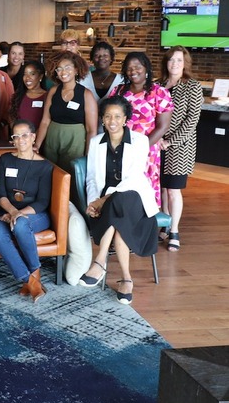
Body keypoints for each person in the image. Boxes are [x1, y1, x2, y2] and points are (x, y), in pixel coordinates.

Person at [78, 96, 159, 306]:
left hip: (135, 197)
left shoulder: (140, 141)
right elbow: (91, 178)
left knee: (120, 201)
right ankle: (126, 279)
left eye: (117, 116)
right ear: (102, 119)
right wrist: (93, 201)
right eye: (107, 116)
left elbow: (133, 178)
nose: (112, 120)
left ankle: (100, 261)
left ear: (125, 119)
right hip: (109, 203)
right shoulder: (96, 142)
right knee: (118, 211)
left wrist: (103, 200)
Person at [0, 119, 53, 303]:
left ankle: (34, 272)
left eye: (24, 135)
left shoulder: (45, 166)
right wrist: (11, 211)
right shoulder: (6, 159)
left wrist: (18, 214)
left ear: (33, 137)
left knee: (20, 224)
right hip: (6, 211)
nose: (20, 140)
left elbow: (42, 202)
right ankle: (30, 281)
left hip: (35, 214)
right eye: (16, 136)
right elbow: (0, 193)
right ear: (12, 140)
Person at [109, 52, 173, 206]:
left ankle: (146, 225)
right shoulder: (118, 91)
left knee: (144, 186)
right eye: (129, 68)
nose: (133, 71)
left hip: (147, 149)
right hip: (120, 147)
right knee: (121, 184)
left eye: (137, 67)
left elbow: (163, 126)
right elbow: (110, 117)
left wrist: (141, 147)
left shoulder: (159, 92)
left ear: (146, 68)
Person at [158, 46, 202, 251]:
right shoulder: (158, 85)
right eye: (171, 60)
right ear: (166, 63)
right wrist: (156, 139)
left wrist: (170, 141)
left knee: (174, 190)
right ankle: (164, 226)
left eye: (179, 60)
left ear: (185, 63)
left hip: (180, 147)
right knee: (162, 189)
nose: (174, 64)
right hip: (157, 145)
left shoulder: (193, 86)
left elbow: (192, 120)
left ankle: (174, 230)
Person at [35, 50, 98, 173]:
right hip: (52, 139)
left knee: (69, 175)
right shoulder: (53, 91)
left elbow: (92, 130)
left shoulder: (86, 94)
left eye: (67, 67)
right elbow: (45, 121)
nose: (63, 72)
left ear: (76, 70)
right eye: (59, 69)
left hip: (75, 141)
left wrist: (88, 155)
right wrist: (37, 145)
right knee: (49, 172)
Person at [10, 60, 47, 130]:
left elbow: (46, 122)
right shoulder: (18, 95)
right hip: (19, 137)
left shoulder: (47, 96)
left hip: (38, 138)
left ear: (40, 76)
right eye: (25, 74)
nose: (27, 78)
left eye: (32, 74)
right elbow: (12, 117)